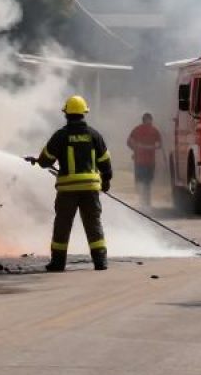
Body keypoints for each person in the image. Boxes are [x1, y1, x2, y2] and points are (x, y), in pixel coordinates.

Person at [26, 95, 113, 272]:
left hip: (68, 190)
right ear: (84, 114)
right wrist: (106, 181)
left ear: (66, 114)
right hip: (90, 189)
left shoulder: (61, 135)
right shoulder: (94, 135)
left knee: (62, 225)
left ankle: (58, 263)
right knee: (93, 224)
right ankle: (100, 262)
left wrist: (38, 160)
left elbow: (46, 159)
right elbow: (105, 161)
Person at [126, 112, 163, 208]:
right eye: (149, 120)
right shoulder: (153, 130)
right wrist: (152, 147)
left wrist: (136, 148)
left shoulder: (141, 130)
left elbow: (129, 142)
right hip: (146, 162)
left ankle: (144, 202)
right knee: (146, 182)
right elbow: (159, 145)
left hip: (144, 162)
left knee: (144, 182)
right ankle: (145, 202)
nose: (150, 122)